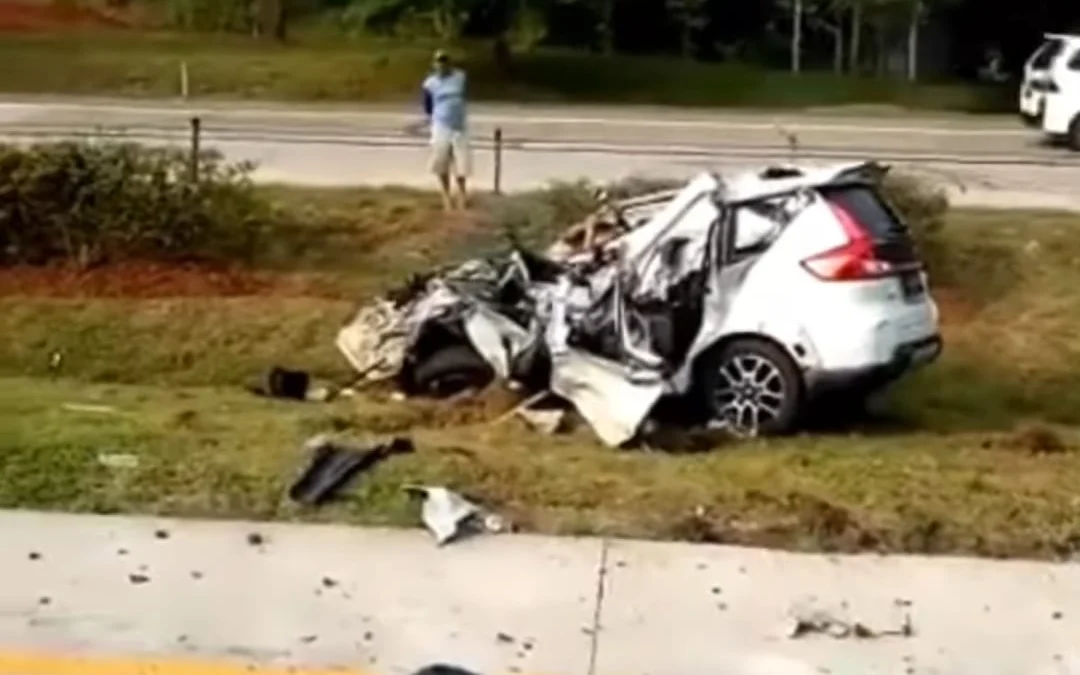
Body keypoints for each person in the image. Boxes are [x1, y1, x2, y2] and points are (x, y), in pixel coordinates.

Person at [422, 50, 471, 210]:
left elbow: (465, 95)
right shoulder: (430, 83)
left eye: (444, 62)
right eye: (439, 62)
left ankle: (462, 195)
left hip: (459, 126)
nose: (442, 65)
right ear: (435, 64)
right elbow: (427, 105)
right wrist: (436, 116)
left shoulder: (459, 77)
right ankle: (446, 196)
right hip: (441, 125)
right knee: (441, 161)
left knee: (462, 162)